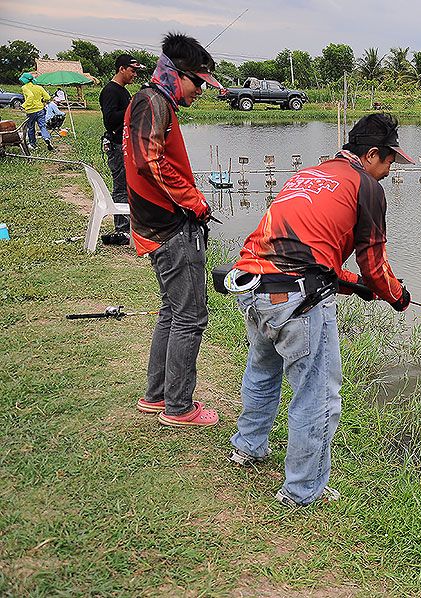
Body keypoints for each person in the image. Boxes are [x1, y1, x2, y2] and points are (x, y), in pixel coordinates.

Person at [228, 113, 414, 507]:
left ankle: (247, 447)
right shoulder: (367, 188)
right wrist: (395, 296)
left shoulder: (309, 174)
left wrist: (357, 289)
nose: (390, 171)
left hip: (252, 283)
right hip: (296, 300)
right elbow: (375, 267)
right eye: (390, 162)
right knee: (318, 398)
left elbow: (312, 256)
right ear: (372, 155)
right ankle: (302, 490)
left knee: (262, 371)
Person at [123, 32, 223, 427]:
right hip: (170, 228)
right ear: (176, 73)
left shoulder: (152, 102)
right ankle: (179, 407)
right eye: (198, 82)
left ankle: (156, 395)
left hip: (157, 224)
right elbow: (151, 161)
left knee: (172, 311)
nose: (200, 90)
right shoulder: (152, 101)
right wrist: (193, 201)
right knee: (191, 317)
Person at [100, 54, 146, 244]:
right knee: (120, 187)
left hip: (126, 145)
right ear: (121, 69)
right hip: (117, 146)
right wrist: (132, 107)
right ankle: (121, 230)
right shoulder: (111, 91)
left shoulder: (123, 90)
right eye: (133, 70)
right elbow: (110, 120)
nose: (135, 74)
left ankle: (129, 227)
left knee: (128, 186)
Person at [19, 72, 52, 151]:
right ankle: (47, 138)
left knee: (31, 128)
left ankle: (33, 144)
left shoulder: (24, 87)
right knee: (42, 126)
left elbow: (30, 96)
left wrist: (23, 105)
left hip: (30, 111)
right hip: (40, 110)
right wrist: (42, 100)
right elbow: (48, 97)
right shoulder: (39, 87)